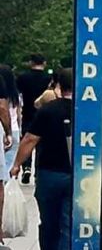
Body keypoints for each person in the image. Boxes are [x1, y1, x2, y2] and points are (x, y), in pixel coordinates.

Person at [9, 69, 75, 250]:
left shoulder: (48, 111)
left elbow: (30, 139)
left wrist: (17, 164)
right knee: (69, 220)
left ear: (57, 85)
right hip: (78, 174)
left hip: (49, 174)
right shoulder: (86, 110)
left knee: (48, 221)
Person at [15, 56, 49, 185]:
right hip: (44, 114)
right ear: (44, 63)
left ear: (30, 63)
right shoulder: (48, 79)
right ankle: (38, 171)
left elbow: (18, 96)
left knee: (27, 140)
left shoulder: (23, 78)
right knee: (41, 144)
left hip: (28, 113)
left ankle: (27, 167)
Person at [0, 67, 21, 224]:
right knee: (5, 171)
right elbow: (17, 114)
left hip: (7, 130)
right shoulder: (14, 96)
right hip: (12, 130)